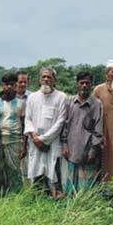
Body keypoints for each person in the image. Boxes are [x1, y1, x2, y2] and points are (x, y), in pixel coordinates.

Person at [25, 68, 67, 198]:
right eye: (43, 77)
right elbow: (28, 119)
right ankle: (39, 197)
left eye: (49, 77)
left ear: (55, 80)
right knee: (37, 170)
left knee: (54, 170)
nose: (46, 80)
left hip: (52, 143)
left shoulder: (61, 97)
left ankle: (56, 198)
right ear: (39, 79)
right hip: (34, 142)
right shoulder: (32, 97)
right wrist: (35, 138)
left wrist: (43, 139)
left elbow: (61, 121)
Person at [61, 71, 104, 195]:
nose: (84, 86)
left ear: (91, 85)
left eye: (87, 83)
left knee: (86, 185)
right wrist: (64, 145)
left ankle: (84, 206)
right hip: (72, 149)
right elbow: (65, 125)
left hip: (88, 151)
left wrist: (93, 149)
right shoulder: (70, 103)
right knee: (70, 182)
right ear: (77, 85)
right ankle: (70, 207)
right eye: (81, 83)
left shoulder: (96, 104)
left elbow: (98, 129)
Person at [0, 72, 29, 197]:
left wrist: (24, 146)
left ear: (15, 85)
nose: (9, 87)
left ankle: (16, 196)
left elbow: (25, 126)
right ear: (2, 85)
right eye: (6, 84)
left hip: (15, 141)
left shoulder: (21, 103)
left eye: (12, 84)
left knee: (14, 171)